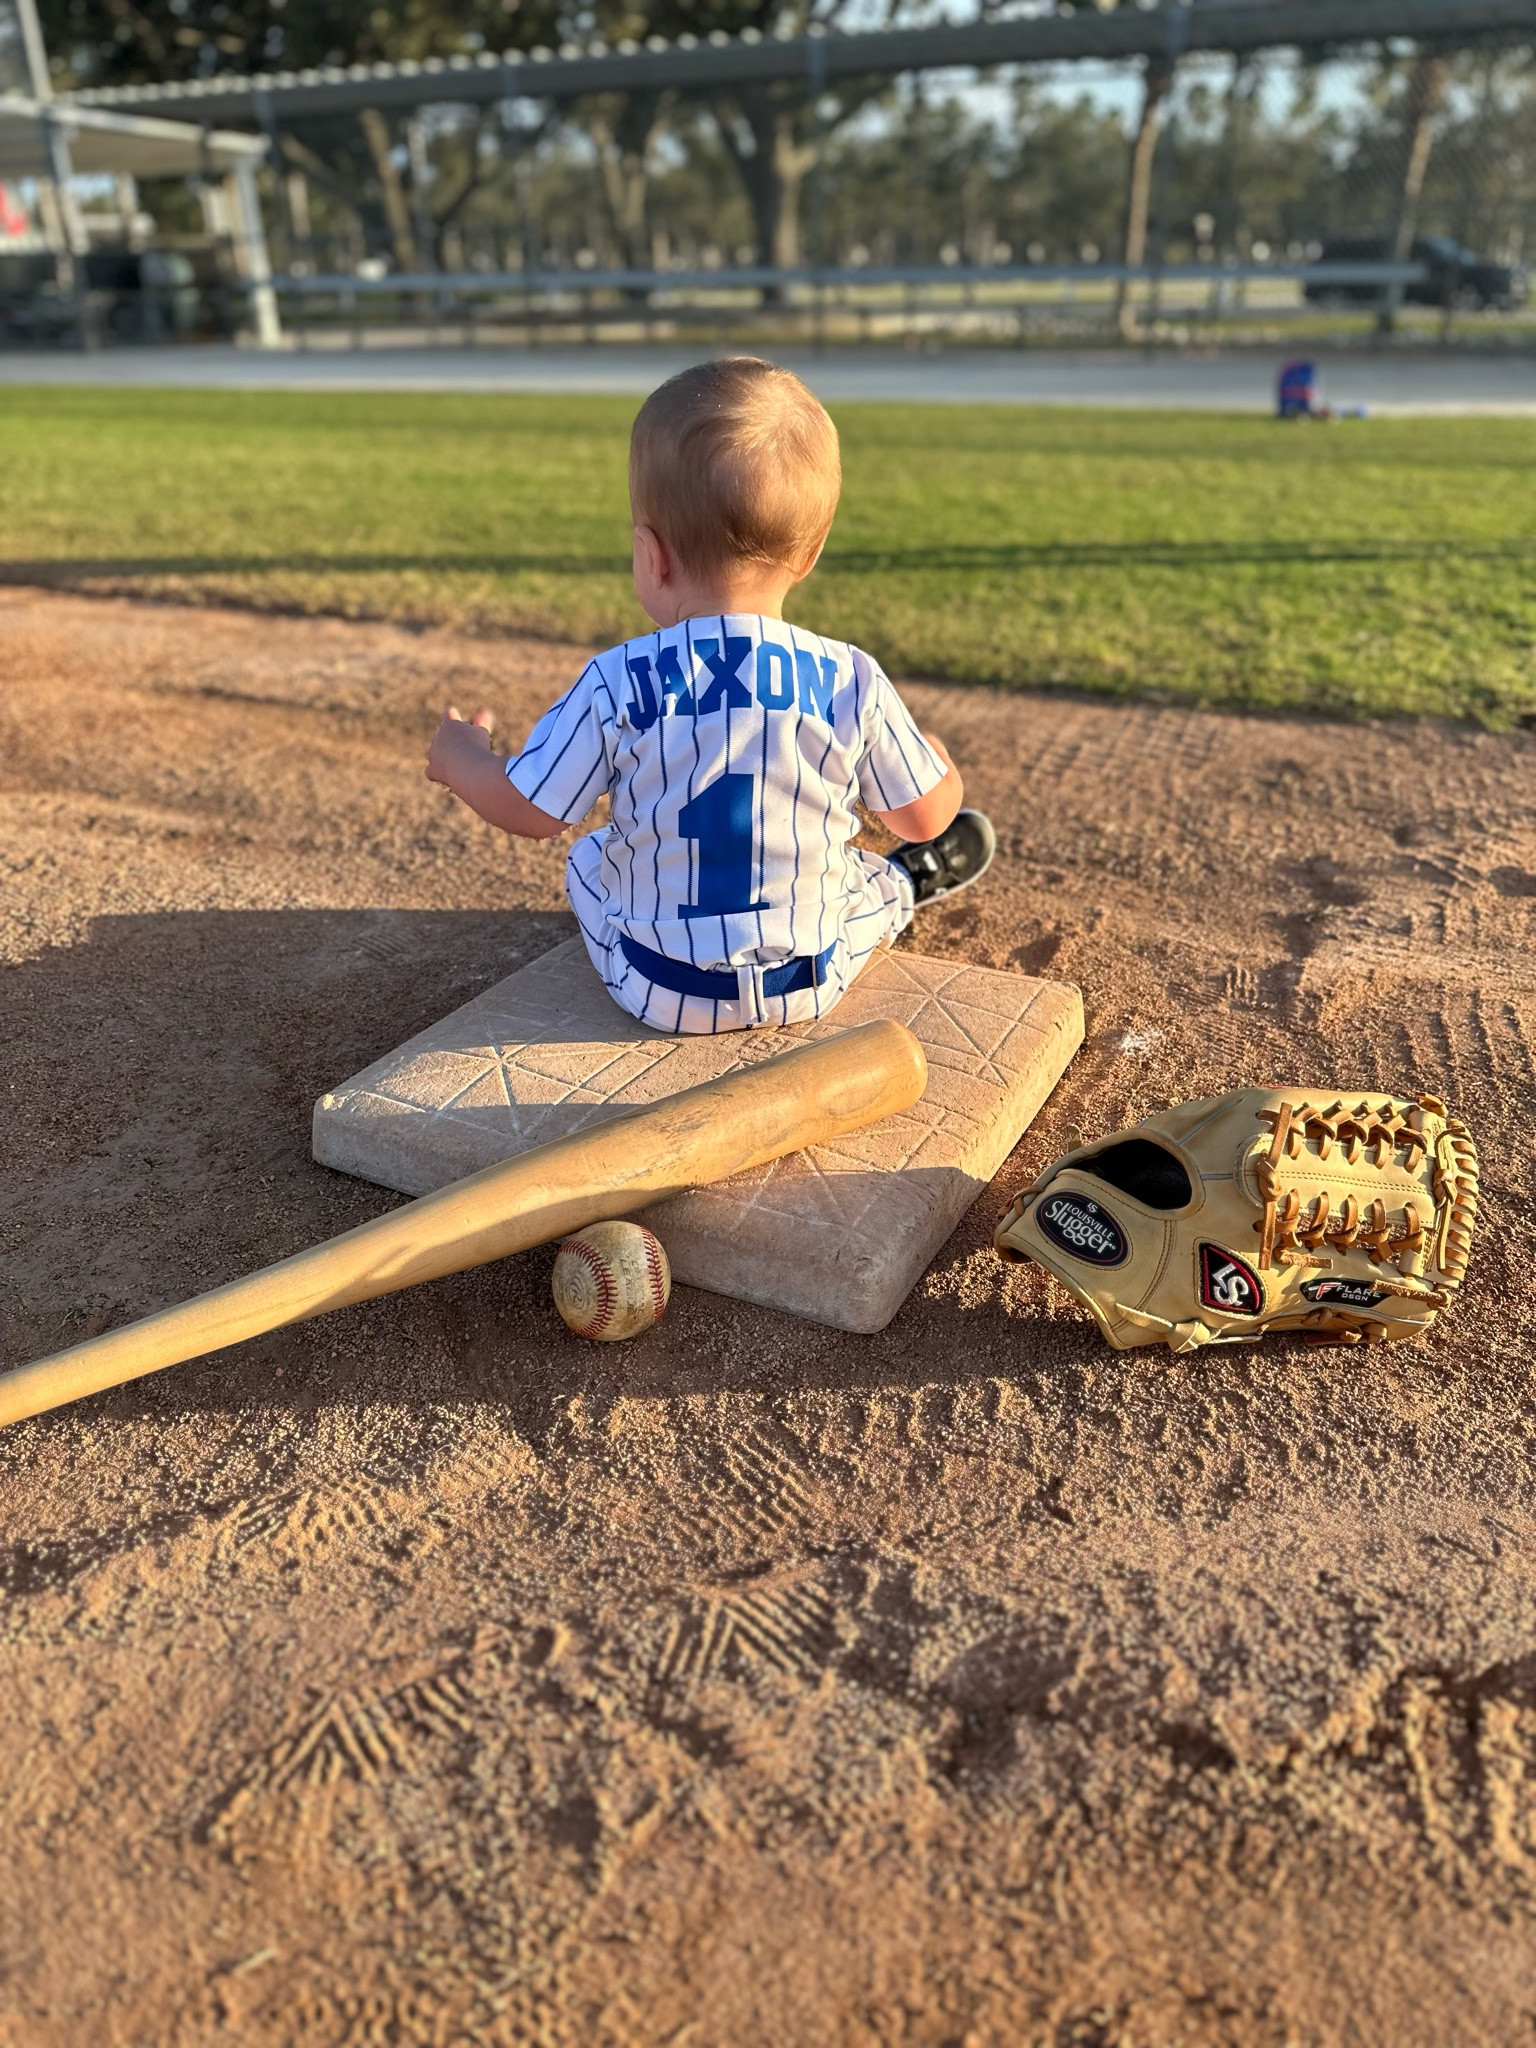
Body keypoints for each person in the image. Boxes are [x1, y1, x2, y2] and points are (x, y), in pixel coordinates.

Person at [426, 355, 995, 1035]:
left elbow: (531, 810)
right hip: (808, 984)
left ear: (651, 556)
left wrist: (462, 760)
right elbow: (924, 816)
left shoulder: (615, 678)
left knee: (589, 855)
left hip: (655, 988)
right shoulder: (850, 677)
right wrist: (942, 765)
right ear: (809, 555)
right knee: (864, 878)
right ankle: (907, 888)